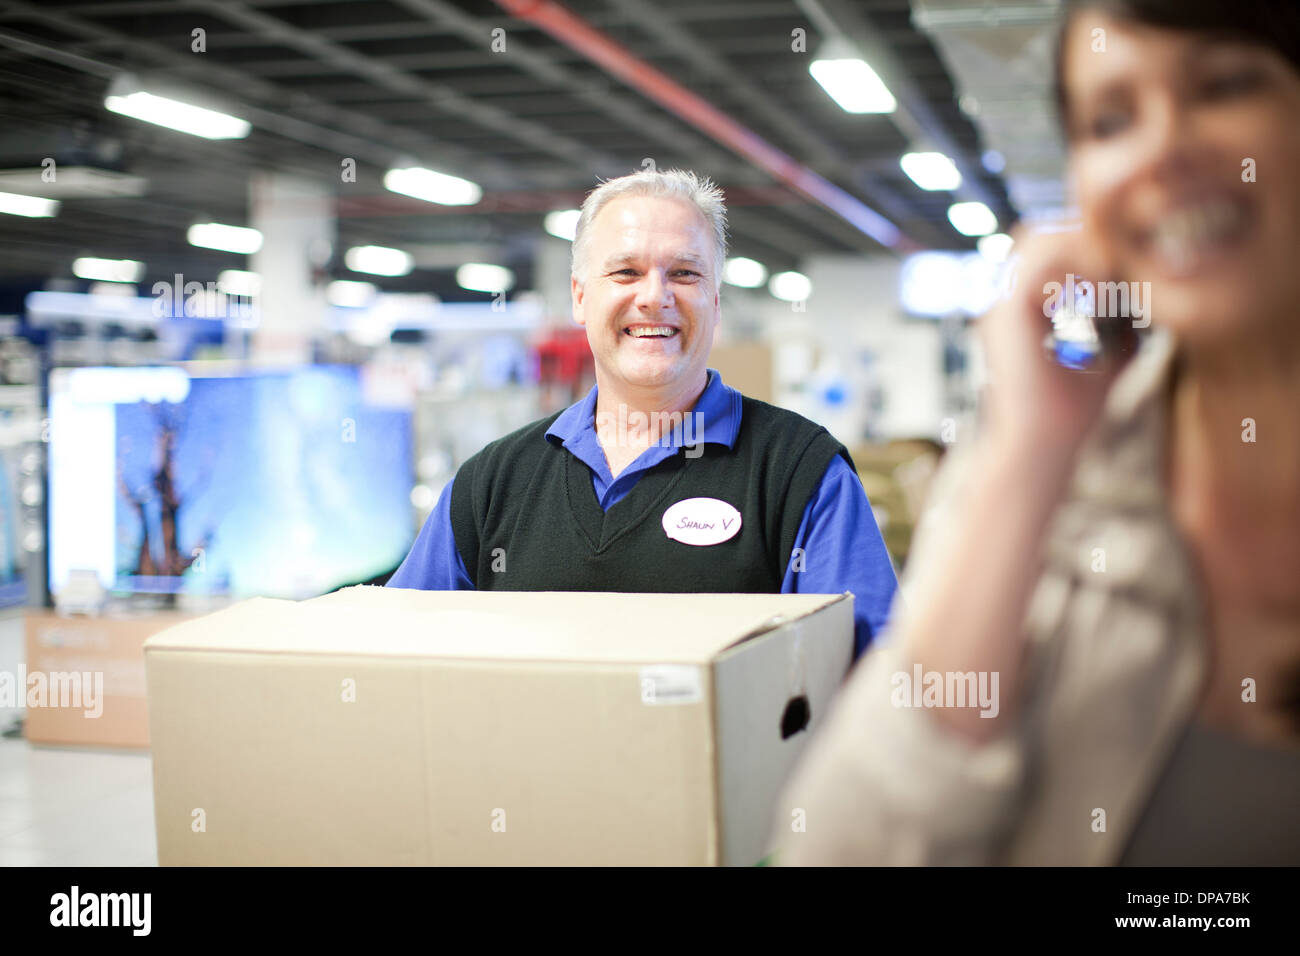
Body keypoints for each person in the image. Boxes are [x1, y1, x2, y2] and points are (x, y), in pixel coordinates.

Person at [772, 0, 1300, 864]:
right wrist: (1030, 452)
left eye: (1226, 84)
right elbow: (847, 847)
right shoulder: (1050, 479)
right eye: (1111, 120)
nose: (1164, 147)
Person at [388, 169, 897, 659]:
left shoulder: (801, 474)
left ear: (715, 302)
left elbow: (872, 688)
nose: (654, 297)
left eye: (684, 273)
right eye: (626, 272)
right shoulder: (492, 483)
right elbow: (391, 650)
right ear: (581, 297)